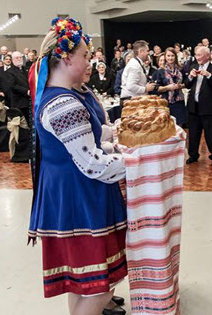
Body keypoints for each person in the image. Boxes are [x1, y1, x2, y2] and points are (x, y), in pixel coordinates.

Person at [28, 17, 127, 315]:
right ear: (67, 57)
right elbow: (93, 164)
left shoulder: (59, 97)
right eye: (85, 55)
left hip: (69, 195)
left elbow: (85, 148)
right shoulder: (65, 104)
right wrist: (140, 162)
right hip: (80, 199)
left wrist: (114, 148)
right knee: (100, 287)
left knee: (84, 282)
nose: (90, 61)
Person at [185, 46, 212, 165]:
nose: (197, 57)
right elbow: (187, 85)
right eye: (196, 55)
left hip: (208, 108)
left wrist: (209, 75)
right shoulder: (193, 67)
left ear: (207, 56)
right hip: (193, 107)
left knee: (211, 134)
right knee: (193, 134)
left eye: (200, 55)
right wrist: (190, 77)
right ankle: (193, 155)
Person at [154, 47, 186, 126]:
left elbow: (186, 83)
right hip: (165, 103)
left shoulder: (181, 69)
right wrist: (168, 87)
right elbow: (157, 89)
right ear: (165, 57)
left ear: (175, 56)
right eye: (168, 56)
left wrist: (180, 86)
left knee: (179, 126)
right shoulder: (160, 71)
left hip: (179, 102)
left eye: (172, 56)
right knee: (166, 127)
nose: (170, 58)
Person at [6, 51, 31, 123]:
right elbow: (13, 86)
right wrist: (27, 91)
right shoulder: (9, 72)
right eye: (17, 58)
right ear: (13, 60)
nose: (19, 59)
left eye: (20, 57)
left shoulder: (27, 69)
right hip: (19, 102)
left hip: (29, 101)